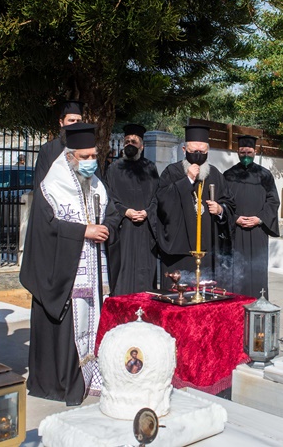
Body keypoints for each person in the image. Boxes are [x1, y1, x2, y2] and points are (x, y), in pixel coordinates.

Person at [20, 122, 120, 404]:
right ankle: (63, 383)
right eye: (84, 157)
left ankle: (89, 377)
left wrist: (106, 227)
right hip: (63, 279)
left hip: (93, 273)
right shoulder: (51, 187)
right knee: (66, 331)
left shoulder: (98, 185)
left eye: (93, 157)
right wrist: (83, 232)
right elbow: (45, 231)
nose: (90, 163)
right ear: (68, 156)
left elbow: (112, 214)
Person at [154, 125, 235, 290]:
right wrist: (188, 180)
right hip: (179, 252)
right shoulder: (172, 172)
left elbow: (230, 204)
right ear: (184, 149)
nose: (198, 155)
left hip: (208, 251)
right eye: (194, 151)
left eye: (203, 152)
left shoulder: (215, 175)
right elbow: (162, 202)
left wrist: (220, 210)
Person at [104, 123, 160, 295]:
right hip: (124, 230)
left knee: (145, 273)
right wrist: (125, 211)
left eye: (134, 142)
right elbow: (108, 197)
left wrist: (147, 212)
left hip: (145, 230)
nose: (130, 144)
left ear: (141, 146)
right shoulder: (113, 168)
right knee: (122, 273)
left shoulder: (150, 168)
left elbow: (157, 196)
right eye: (127, 141)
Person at [222, 135, 280, 298]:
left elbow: (273, 201)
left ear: (255, 151)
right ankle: (235, 308)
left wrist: (260, 218)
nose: (245, 155)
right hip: (236, 231)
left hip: (258, 232)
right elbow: (223, 201)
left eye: (249, 151)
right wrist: (235, 218)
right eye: (242, 152)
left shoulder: (265, 175)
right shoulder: (228, 175)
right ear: (237, 152)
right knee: (236, 272)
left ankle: (258, 305)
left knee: (257, 272)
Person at [33, 100, 84, 188]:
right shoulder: (48, 150)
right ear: (61, 122)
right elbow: (41, 185)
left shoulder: (88, 150)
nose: (75, 124)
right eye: (71, 120)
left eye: (78, 121)